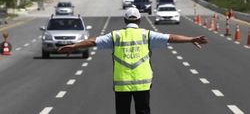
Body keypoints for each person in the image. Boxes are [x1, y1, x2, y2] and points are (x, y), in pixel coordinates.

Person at [57, 7, 208, 114]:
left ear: (124, 20)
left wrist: (74, 46)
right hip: (143, 84)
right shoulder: (147, 35)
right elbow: (171, 38)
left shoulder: (115, 36)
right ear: (140, 20)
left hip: (122, 85)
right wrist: (190, 39)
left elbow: (93, 41)